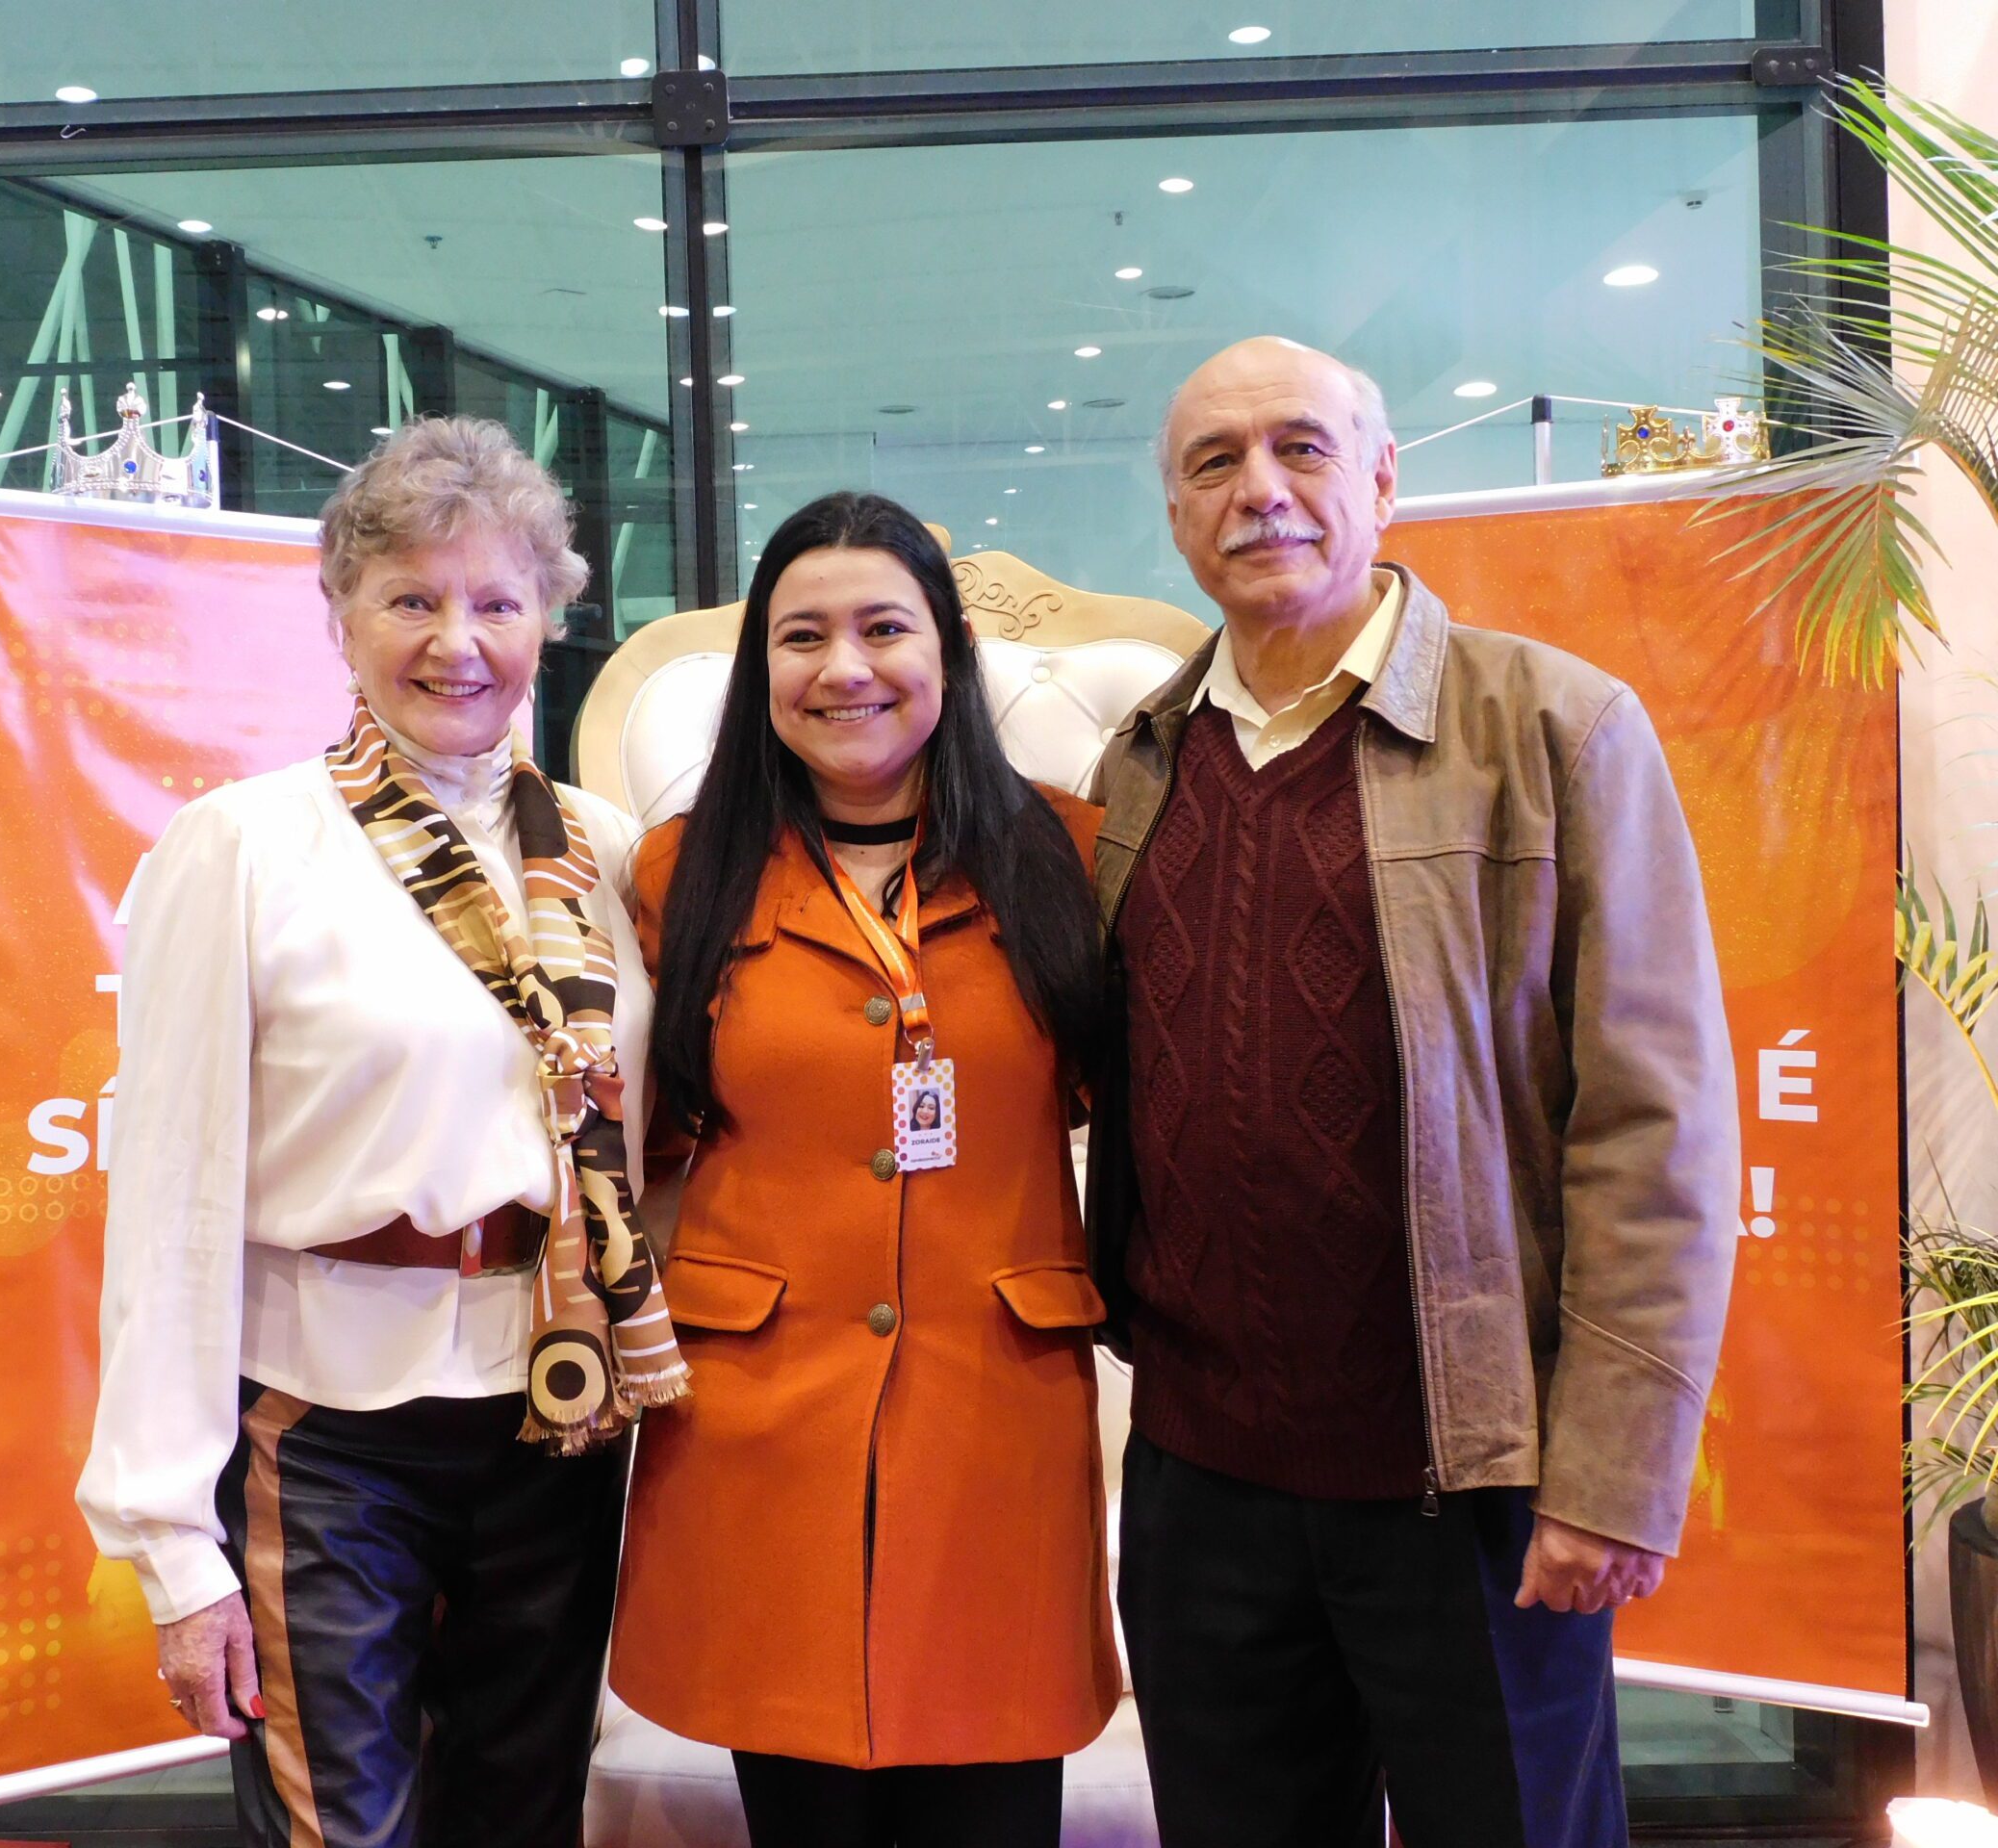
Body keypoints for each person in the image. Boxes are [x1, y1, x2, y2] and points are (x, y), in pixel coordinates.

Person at [1086, 336, 1738, 1847]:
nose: (1261, 491)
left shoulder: (1557, 728)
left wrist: (1615, 1478)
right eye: (1214, 464)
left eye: (1302, 449)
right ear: (1176, 519)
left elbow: (1656, 1133)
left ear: (1383, 482)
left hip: (1475, 1488)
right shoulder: (1140, 766)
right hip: (1200, 1489)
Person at [76, 417, 681, 1848]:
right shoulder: (242, 846)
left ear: (549, 619)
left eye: (497, 601)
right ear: (340, 616)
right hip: (329, 1423)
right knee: (344, 1827)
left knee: (522, 1814)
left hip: (558, 1406)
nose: (456, 642)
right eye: (412, 597)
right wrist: (172, 1546)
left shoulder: (602, 849)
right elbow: (167, 1199)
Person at [612, 491, 1119, 1848]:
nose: (845, 669)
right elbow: (639, 1142)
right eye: (802, 637)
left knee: (993, 1806)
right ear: (759, 670)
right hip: (759, 1423)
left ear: (948, 650)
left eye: (884, 628)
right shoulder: (680, 873)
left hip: (995, 1414)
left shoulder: (1071, 857)